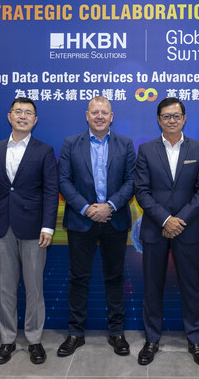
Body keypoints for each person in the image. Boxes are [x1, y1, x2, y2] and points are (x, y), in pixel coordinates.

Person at [134, 98, 199, 366]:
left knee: (191, 287)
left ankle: (195, 340)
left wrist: (179, 220)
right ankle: (151, 340)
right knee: (152, 287)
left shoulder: (198, 148)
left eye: (176, 116)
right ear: (159, 119)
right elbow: (141, 191)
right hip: (155, 229)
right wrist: (166, 220)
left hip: (187, 230)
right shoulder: (146, 150)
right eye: (166, 116)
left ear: (184, 118)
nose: (172, 120)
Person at [57, 96, 135, 357]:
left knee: (115, 278)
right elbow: (64, 181)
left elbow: (131, 181)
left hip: (114, 220)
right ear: (87, 115)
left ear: (111, 116)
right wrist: (87, 208)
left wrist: (109, 206)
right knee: (78, 278)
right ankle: (75, 333)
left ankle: (117, 332)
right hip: (81, 220)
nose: (99, 116)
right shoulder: (71, 143)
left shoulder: (125, 144)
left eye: (104, 112)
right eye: (94, 112)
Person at [0, 97, 59, 365]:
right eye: (18, 112)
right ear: (9, 116)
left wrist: (48, 226)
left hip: (34, 228)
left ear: (35, 120)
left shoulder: (44, 150)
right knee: (4, 287)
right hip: (2, 226)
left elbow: (51, 191)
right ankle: (7, 340)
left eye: (28, 113)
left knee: (34, 287)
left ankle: (34, 340)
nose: (23, 116)